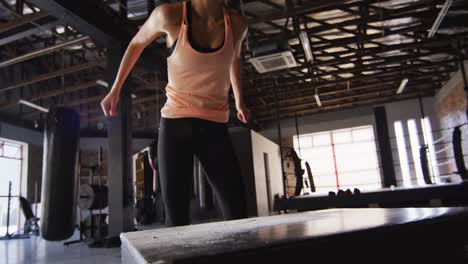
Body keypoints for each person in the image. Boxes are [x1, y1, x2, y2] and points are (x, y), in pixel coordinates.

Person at [100, 0, 250, 227]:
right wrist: (115, 90)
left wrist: (240, 101)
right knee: (176, 219)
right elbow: (136, 43)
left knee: (237, 212)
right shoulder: (169, 16)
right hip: (175, 126)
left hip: (214, 126)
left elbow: (234, 58)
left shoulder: (237, 25)